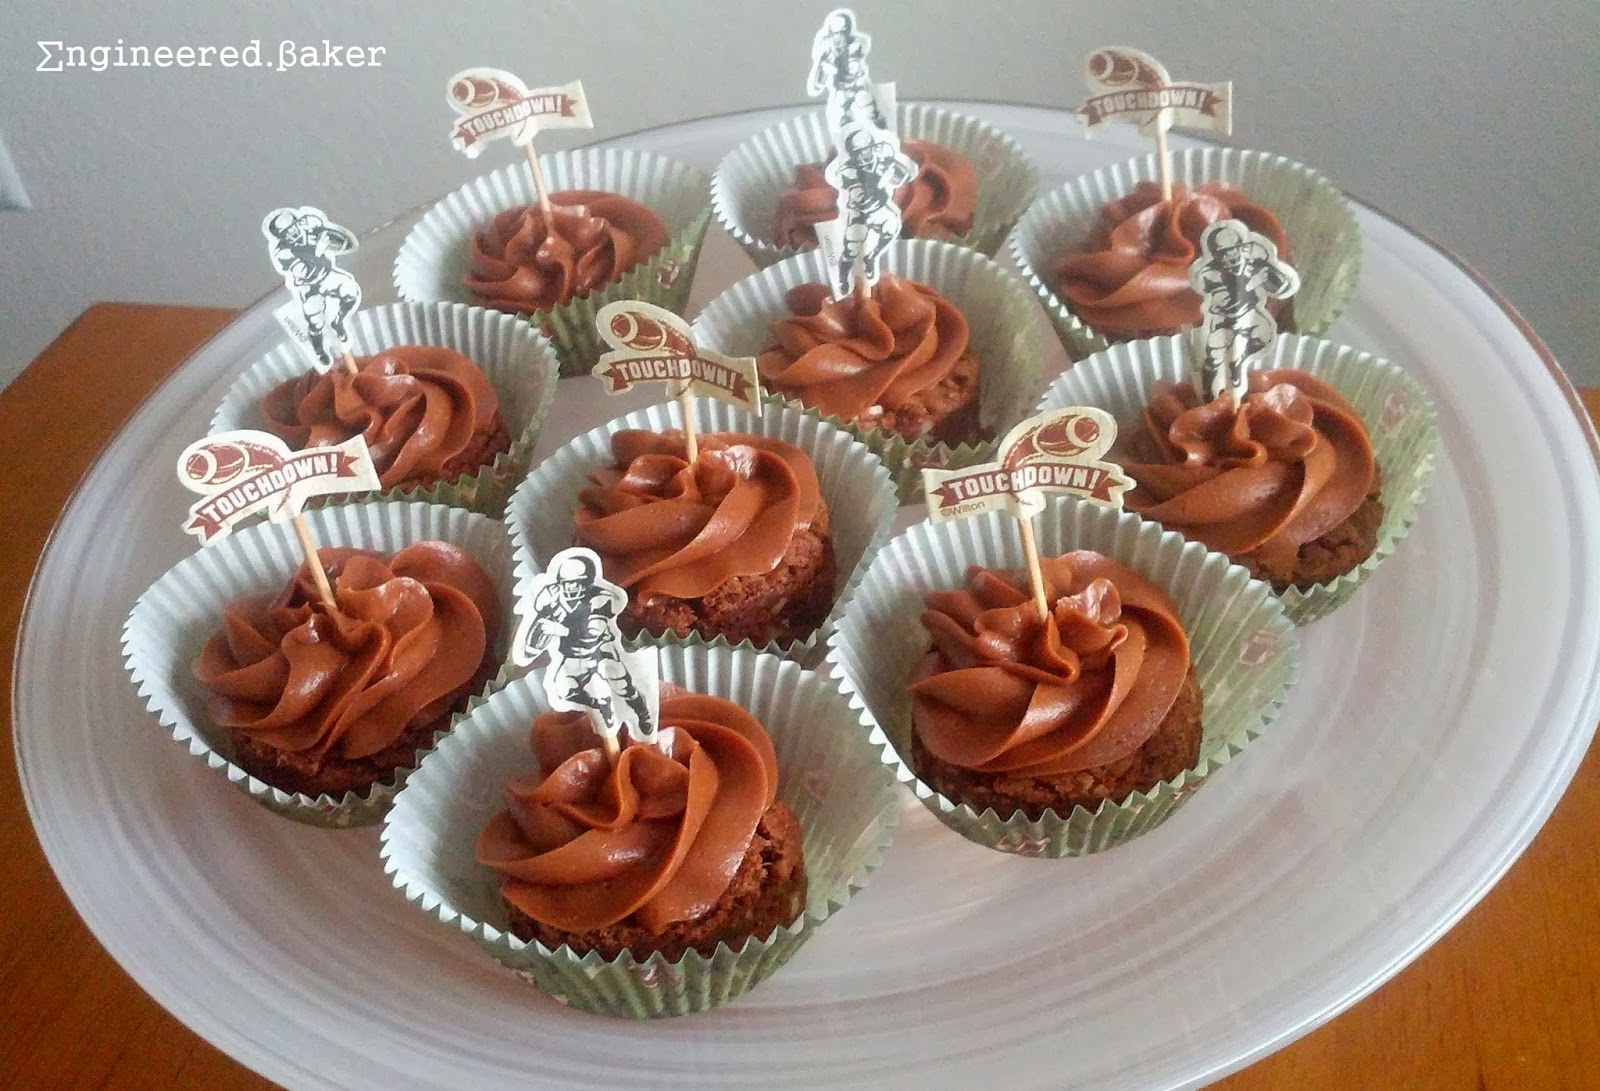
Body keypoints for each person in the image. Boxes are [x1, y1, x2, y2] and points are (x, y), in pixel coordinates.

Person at [519, 549, 655, 744]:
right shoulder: (554, 604)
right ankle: (599, 704)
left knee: (622, 685)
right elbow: (534, 635)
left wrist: (562, 630)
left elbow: (595, 630)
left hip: (601, 654)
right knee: (563, 689)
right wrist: (533, 643)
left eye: (576, 583)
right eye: (567, 583)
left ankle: (642, 713)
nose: (571, 588)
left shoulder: (598, 600)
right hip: (572, 658)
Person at [1190, 220, 1299, 398]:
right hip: (1223, 324)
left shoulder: (1253, 265)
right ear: (1215, 256)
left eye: (1234, 249)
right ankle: (1212, 394)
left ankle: (1238, 365)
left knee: (1261, 338)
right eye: (1223, 253)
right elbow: (1226, 302)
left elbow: (1283, 288)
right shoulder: (1211, 275)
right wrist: (1250, 283)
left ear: (1243, 248)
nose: (1231, 256)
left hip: (1252, 318)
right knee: (1215, 358)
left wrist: (1273, 275)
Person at [822, 122, 916, 298]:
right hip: (859, 216)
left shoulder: (880, 163)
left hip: (880, 209)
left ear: (873, 149)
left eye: (866, 150)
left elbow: (904, 176)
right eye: (858, 153)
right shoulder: (847, 170)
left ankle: (871, 257)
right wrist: (882, 172)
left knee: (891, 228)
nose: (863, 156)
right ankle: (843, 277)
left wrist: (892, 163)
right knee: (850, 250)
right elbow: (864, 191)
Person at [261, 207, 361, 368]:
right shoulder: (283, 252)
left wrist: (327, 233)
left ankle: (338, 321)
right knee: (315, 323)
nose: (292, 232)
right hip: (309, 287)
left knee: (350, 291)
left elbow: (346, 243)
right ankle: (320, 350)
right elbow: (307, 273)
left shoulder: (312, 231)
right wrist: (319, 250)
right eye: (286, 232)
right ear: (281, 236)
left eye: (293, 226)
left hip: (327, 276)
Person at [807, 8, 888, 132]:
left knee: (867, 105)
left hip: (857, 85)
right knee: (841, 116)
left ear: (847, 31)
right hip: (840, 87)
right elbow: (818, 84)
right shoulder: (827, 49)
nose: (838, 37)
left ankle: (882, 135)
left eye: (841, 32)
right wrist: (824, 66)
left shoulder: (856, 45)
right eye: (834, 33)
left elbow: (855, 63)